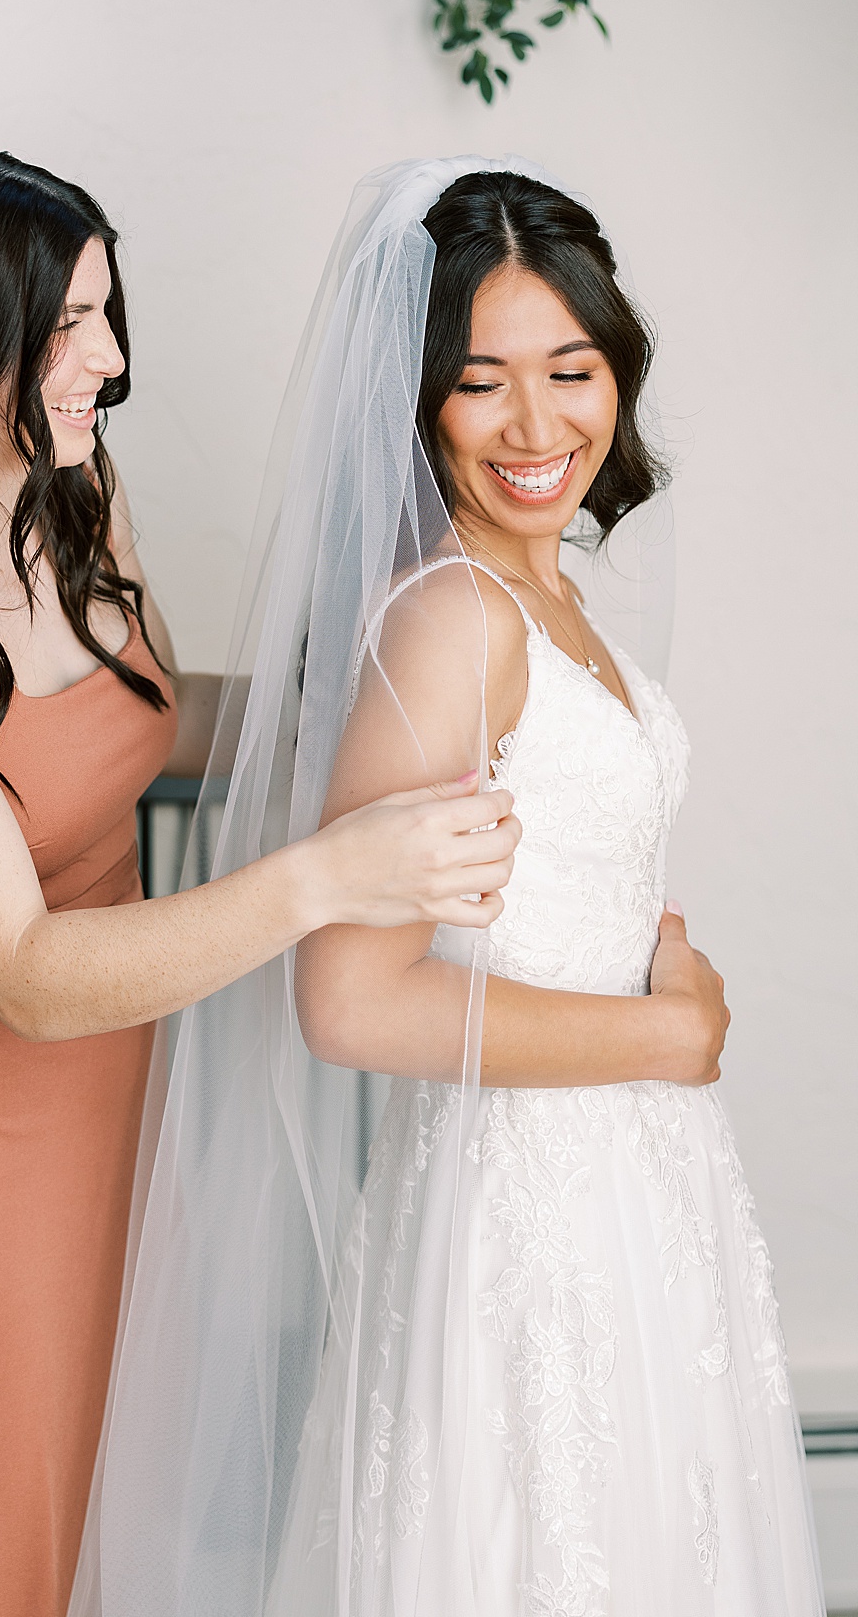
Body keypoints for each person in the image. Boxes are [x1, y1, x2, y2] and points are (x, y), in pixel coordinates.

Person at [0, 144, 522, 1617]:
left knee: (88, 1527)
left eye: (107, 312)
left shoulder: (72, 497)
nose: (113, 359)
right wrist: (328, 874)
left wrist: (374, 693)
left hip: (112, 1121)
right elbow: (21, 970)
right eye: (69, 325)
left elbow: (143, 715)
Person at [72, 160, 820, 1617]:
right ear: (418, 404)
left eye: (572, 368)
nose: (539, 426)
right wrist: (665, 1038)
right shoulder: (453, 620)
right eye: (483, 382)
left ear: (618, 373)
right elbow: (349, 1000)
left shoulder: (547, 592)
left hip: (639, 1190)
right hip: (527, 1212)